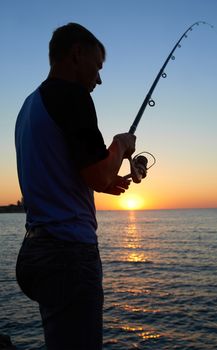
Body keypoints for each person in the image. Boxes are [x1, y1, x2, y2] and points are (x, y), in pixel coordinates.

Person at [15, 23, 136, 350]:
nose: (98, 79)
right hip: (67, 254)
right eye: (96, 68)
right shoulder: (72, 95)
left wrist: (108, 180)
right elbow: (97, 174)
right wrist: (120, 145)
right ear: (76, 54)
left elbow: (69, 172)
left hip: (35, 252)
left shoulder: (30, 105)